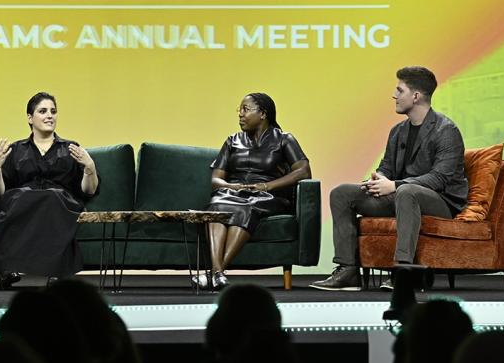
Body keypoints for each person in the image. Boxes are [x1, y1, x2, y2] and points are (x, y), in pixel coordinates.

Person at [311, 66, 467, 291]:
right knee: (342, 193)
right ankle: (348, 270)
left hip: (440, 202)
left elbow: (439, 178)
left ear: (416, 96)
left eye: (399, 90)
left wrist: (393, 185)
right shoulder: (398, 131)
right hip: (403, 197)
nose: (394, 95)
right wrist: (378, 179)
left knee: (406, 191)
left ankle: (403, 271)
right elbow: (386, 167)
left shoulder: (446, 130)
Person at [0, 92, 100, 286]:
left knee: (51, 198)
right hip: (23, 199)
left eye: (53, 111)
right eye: (43, 111)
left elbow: (88, 190)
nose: (50, 116)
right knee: (19, 199)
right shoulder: (16, 149)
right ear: (30, 118)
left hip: (60, 201)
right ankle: (8, 270)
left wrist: (90, 167)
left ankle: (55, 270)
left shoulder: (70, 147)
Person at [199, 92, 312, 290]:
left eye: (246, 109)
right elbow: (216, 180)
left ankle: (214, 273)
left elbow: (303, 171)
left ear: (263, 113)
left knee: (247, 206)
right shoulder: (232, 140)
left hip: (267, 195)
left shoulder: (284, 139)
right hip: (232, 193)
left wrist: (268, 186)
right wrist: (231, 187)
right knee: (217, 205)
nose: (240, 115)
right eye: (239, 110)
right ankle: (218, 274)